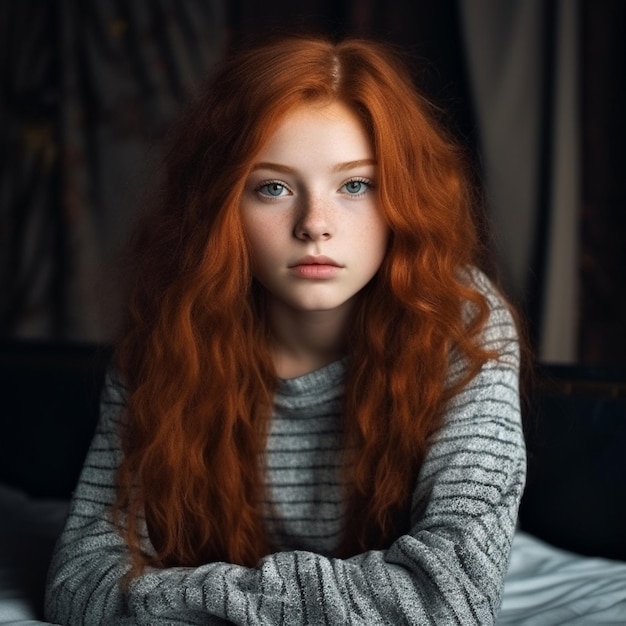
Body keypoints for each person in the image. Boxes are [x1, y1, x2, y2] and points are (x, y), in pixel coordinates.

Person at [45, 34, 526, 625]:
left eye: (357, 185)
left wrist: (192, 598)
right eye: (272, 187)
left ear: (405, 196)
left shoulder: (462, 321)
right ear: (223, 206)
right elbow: (79, 581)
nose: (314, 225)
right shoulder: (175, 328)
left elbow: (453, 598)